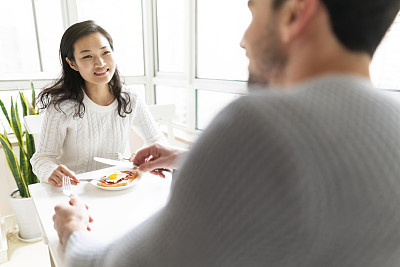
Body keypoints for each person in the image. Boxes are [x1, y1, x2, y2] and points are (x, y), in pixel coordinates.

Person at [53, 0, 400, 266]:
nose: (243, 41)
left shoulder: (260, 124)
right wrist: (186, 158)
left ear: (295, 14)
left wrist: (73, 232)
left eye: (254, 12)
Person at [31, 20, 166, 187]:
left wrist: (152, 157)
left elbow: (157, 140)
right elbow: (42, 158)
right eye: (87, 56)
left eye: (105, 52)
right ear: (72, 63)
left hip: (119, 185)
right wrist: (50, 171)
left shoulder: (130, 98)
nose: (100, 63)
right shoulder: (61, 107)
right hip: (76, 190)